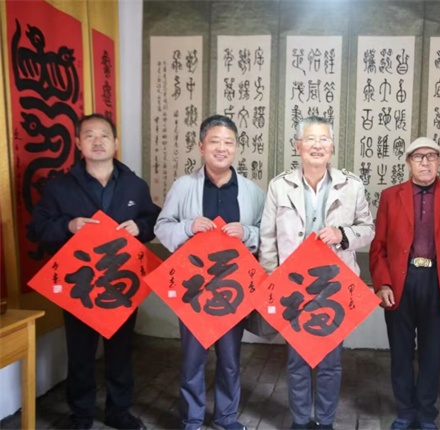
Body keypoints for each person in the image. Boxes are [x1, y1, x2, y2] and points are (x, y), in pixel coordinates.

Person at [28, 113, 160, 430]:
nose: (97, 141)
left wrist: (140, 227)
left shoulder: (134, 185)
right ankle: (82, 414)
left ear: (116, 142)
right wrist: (69, 225)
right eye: (89, 135)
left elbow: (154, 220)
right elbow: (37, 229)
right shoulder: (60, 187)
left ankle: (119, 411)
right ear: (78, 143)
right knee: (80, 354)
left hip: (121, 283)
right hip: (81, 286)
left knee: (120, 352)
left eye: (104, 135)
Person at [258, 116, 375, 430]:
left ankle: (325, 422)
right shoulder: (279, 186)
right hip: (294, 287)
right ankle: (299, 421)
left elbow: (368, 229)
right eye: (310, 139)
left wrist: (342, 234)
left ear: (332, 146)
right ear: (298, 145)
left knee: (331, 361)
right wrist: (273, 279)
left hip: (334, 287)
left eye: (324, 139)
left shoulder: (351, 186)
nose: (317, 145)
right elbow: (267, 237)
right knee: (296, 360)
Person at [154, 114, 264, 430]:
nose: (221, 148)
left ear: (236, 148)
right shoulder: (184, 186)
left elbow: (266, 233)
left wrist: (247, 232)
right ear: (201, 147)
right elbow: (161, 226)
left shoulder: (252, 191)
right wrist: (188, 227)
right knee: (193, 358)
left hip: (233, 287)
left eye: (228, 142)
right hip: (194, 288)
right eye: (214, 141)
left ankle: (226, 416)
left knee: (230, 358)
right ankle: (191, 418)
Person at [369, 137, 440, 430]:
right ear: (408, 162)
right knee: (401, 353)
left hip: (437, 282)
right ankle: (404, 412)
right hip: (400, 282)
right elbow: (379, 247)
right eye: (418, 157)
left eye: (431, 156)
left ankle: (426, 415)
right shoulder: (391, 196)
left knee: (432, 354)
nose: (425, 162)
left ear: (439, 161)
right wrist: (383, 284)